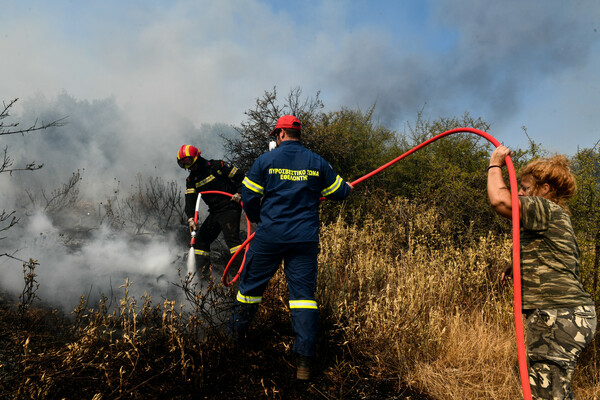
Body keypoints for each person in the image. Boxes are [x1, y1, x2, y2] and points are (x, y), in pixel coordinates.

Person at [227, 115, 353, 380]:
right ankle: (304, 362)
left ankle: (233, 343)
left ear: (281, 134)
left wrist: (257, 217)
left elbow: (249, 197)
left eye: (276, 135)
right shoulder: (317, 161)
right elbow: (339, 191)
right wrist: (347, 187)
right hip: (304, 240)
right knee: (304, 298)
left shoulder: (266, 161)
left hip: (270, 236)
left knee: (249, 289)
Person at [488, 145, 597, 399]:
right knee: (553, 391)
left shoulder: (546, 208)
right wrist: (516, 265)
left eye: (524, 188)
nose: (521, 192)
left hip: (558, 314)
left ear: (545, 190)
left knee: (546, 393)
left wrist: (495, 163)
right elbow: (555, 259)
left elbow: (499, 200)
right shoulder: (551, 218)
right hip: (565, 313)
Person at [177, 145, 245, 277]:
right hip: (215, 211)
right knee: (201, 241)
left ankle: (242, 276)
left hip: (230, 206)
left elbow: (240, 176)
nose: (188, 167)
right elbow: (190, 199)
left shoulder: (217, 166)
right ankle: (203, 278)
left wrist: (239, 193)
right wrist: (191, 218)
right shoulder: (191, 180)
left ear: (197, 157)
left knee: (232, 241)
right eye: (183, 164)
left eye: (189, 162)